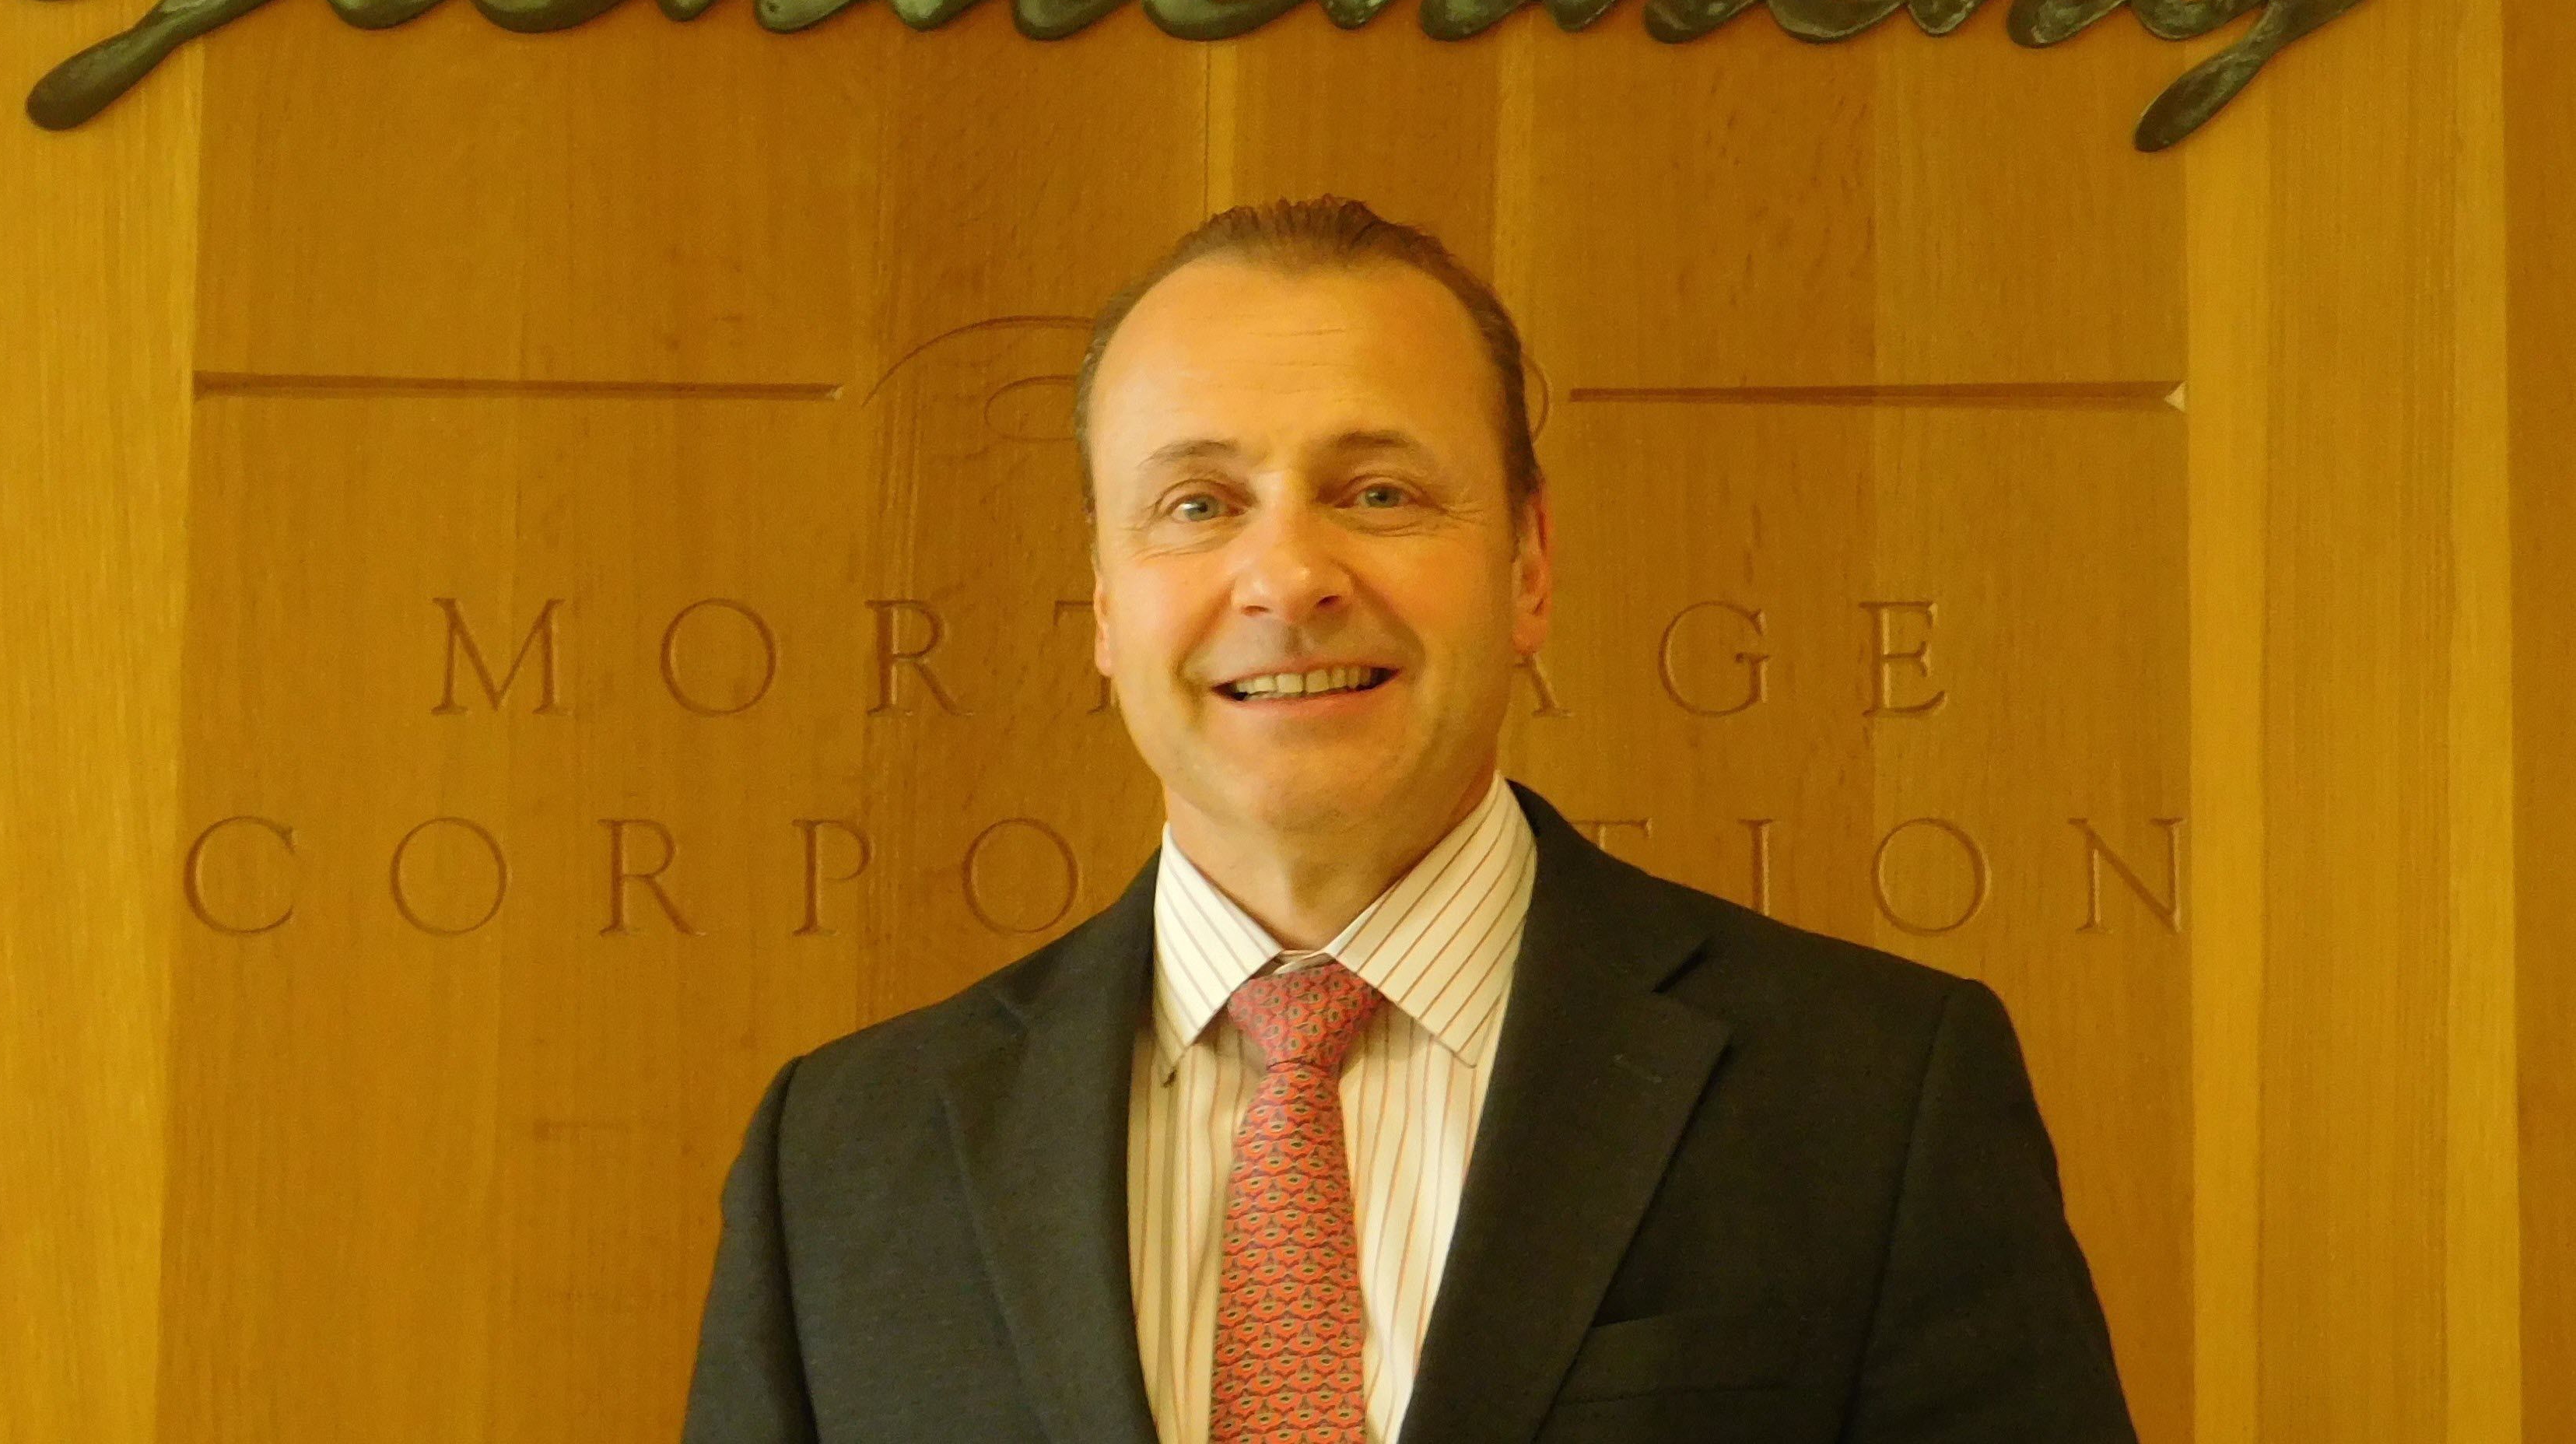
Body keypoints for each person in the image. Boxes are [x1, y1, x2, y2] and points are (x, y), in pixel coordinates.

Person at [683, 197, 2137, 1444]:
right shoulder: (842, 1161)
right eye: (1197, 504)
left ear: (1529, 565)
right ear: (1106, 603)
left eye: (1377, 492)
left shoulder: (1875, 1099)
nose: (1288, 577)